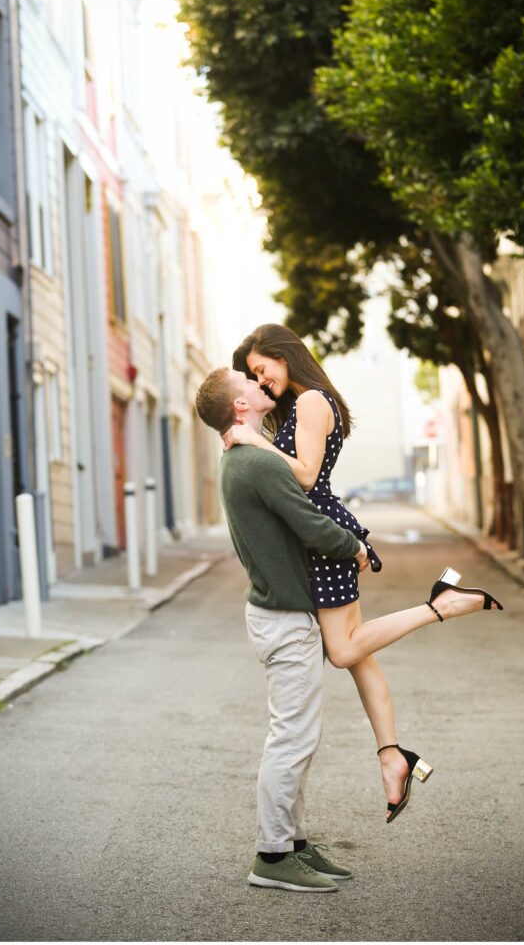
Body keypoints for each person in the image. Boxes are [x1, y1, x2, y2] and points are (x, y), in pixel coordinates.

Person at [227, 323, 503, 824]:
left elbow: (307, 476)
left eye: (260, 369)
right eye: (253, 377)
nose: (260, 381)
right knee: (359, 654)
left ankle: (440, 605)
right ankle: (392, 756)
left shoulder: (311, 401)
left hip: (324, 539)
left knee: (344, 650)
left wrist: (250, 439)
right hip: (318, 536)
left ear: (282, 354)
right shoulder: (304, 402)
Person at [195, 365, 370, 892]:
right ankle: (272, 856)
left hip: (279, 615)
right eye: (245, 382)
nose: (257, 383)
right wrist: (355, 546)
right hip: (285, 619)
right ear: (239, 408)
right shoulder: (254, 464)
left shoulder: (239, 459)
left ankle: (292, 842)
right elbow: (310, 524)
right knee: (291, 739)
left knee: (298, 736)